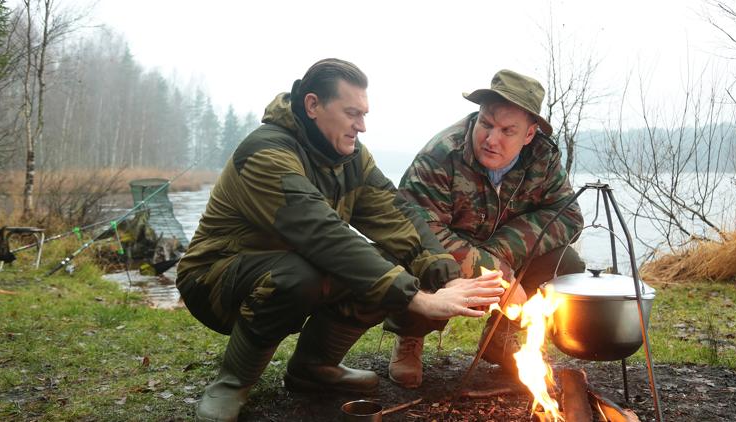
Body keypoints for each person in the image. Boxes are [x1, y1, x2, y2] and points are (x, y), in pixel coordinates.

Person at [175, 58, 507, 422]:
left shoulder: (349, 156)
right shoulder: (267, 153)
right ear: (313, 105)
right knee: (318, 273)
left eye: (364, 114)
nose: (361, 126)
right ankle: (232, 383)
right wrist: (415, 298)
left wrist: (444, 272)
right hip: (215, 279)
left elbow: (395, 214)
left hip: (294, 264)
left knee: (385, 260)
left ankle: (313, 367)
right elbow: (324, 235)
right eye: (352, 113)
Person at [387, 69, 585, 388]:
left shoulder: (542, 156)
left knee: (566, 263)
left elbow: (568, 215)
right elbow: (418, 228)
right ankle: (410, 334)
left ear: (530, 134)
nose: (492, 139)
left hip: (499, 247)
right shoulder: (442, 154)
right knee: (421, 259)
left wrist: (499, 253)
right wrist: (499, 275)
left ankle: (500, 337)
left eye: (508, 130)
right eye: (486, 124)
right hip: (443, 252)